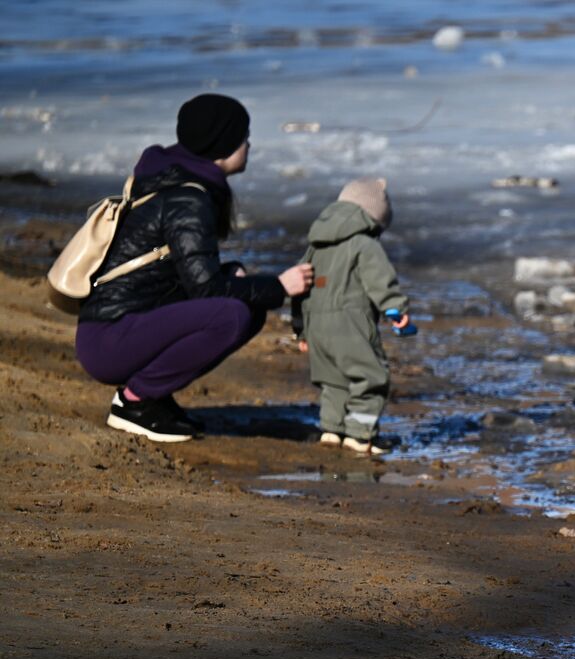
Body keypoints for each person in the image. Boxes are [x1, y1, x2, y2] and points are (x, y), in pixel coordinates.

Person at [75, 93, 314, 443]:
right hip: (109, 340)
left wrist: (242, 279)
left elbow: (183, 277)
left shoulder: (175, 182)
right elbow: (209, 292)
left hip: (117, 330)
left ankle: (153, 396)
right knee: (231, 315)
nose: (248, 144)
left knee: (241, 296)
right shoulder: (187, 199)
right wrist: (279, 287)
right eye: (243, 136)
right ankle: (135, 402)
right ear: (222, 145)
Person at [295, 177, 412, 455]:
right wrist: (396, 311)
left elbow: (298, 286)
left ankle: (332, 431)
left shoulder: (315, 247)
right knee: (370, 376)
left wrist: (300, 329)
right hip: (351, 323)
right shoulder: (363, 244)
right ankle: (360, 436)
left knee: (333, 381)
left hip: (317, 325)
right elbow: (380, 281)